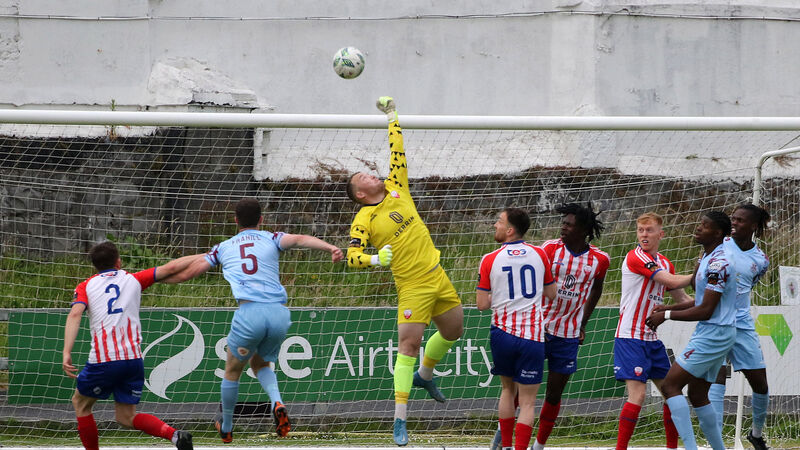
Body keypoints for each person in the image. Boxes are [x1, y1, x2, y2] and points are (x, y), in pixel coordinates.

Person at [163, 197, 343, 443]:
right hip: (279, 314)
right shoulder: (272, 237)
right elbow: (300, 239)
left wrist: (158, 278)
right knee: (261, 365)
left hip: (250, 313)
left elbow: (190, 272)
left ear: (235, 221)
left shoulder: (224, 247)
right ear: (261, 219)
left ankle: (226, 425)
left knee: (232, 371)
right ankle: (277, 401)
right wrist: (330, 248)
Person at [345, 97, 464, 446]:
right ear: (360, 191)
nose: (371, 172)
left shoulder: (398, 187)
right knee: (408, 346)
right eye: (363, 176)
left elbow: (398, 151)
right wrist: (374, 260)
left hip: (437, 274)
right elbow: (352, 257)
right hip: (411, 286)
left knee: (455, 331)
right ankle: (399, 421)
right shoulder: (363, 218)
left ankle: (427, 375)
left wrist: (392, 117)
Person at [62, 241, 201, 450]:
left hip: (103, 361)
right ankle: (175, 436)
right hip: (132, 360)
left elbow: (75, 313)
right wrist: (208, 255)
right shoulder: (133, 279)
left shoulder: (86, 286)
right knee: (126, 417)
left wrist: (66, 352)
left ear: (95, 265)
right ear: (118, 261)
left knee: (80, 403)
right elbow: (172, 268)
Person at [646, 211, 738, 450]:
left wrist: (666, 315)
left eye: (704, 226)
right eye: (700, 224)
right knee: (697, 395)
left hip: (714, 333)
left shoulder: (719, 263)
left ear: (718, 233)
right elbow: (699, 300)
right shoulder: (707, 257)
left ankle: (690, 448)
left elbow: (706, 310)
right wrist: (669, 306)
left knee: (670, 386)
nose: (698, 228)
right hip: (714, 332)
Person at [529, 203, 609, 450]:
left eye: (569, 223)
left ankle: (539, 445)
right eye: (563, 222)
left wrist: (583, 323)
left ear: (583, 229)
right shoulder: (549, 249)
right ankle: (503, 438)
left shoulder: (599, 259)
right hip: (537, 329)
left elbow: (597, 288)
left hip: (568, 335)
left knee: (553, 394)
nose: (563, 227)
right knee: (524, 389)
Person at [477, 208, 557, 450]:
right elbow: (552, 294)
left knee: (506, 390)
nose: (495, 225)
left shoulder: (490, 259)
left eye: (499, 222)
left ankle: (507, 446)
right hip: (532, 336)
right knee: (528, 401)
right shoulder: (540, 254)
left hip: (502, 333)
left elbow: (481, 305)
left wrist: (500, 296)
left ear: (510, 230)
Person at [613, 212, 694, 450]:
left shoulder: (666, 262)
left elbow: (682, 299)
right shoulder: (635, 256)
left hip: (651, 339)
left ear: (661, 234)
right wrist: (699, 273)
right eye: (640, 230)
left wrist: (709, 300)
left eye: (649, 231)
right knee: (637, 395)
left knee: (672, 392)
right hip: (630, 337)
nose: (644, 235)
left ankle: (672, 447)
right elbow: (669, 279)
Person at [706, 204, 770, 450]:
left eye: (740, 220)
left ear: (753, 226)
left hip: (742, 324)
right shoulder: (719, 246)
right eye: (733, 219)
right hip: (716, 321)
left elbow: (748, 285)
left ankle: (756, 434)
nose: (734, 223)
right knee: (717, 378)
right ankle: (717, 443)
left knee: (761, 384)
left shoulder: (761, 260)